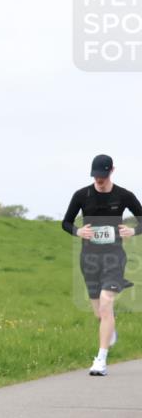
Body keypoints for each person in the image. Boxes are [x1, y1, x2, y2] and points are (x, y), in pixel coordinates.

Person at [61, 154, 140, 376]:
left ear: (111, 171)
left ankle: (101, 360)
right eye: (96, 176)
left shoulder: (124, 196)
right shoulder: (81, 195)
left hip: (114, 256)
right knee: (100, 312)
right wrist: (78, 231)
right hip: (89, 258)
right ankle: (109, 328)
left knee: (106, 304)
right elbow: (65, 222)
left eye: (103, 176)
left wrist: (133, 230)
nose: (99, 180)